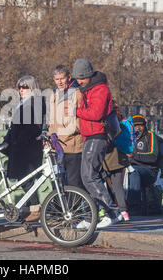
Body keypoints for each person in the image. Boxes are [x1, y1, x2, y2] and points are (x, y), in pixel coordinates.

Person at [73, 58, 122, 229]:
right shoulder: (88, 89)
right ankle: (92, 215)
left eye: (82, 78)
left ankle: (113, 212)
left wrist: (76, 111)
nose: (79, 81)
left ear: (89, 75)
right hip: (90, 136)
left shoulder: (100, 89)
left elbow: (96, 113)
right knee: (89, 176)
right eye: (77, 78)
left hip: (98, 136)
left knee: (89, 176)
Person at [2, 75, 46, 222]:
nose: (21, 90)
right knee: (23, 179)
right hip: (20, 147)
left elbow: (33, 127)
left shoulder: (36, 102)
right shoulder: (23, 103)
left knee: (26, 179)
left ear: (32, 88)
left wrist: (16, 141)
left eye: (25, 87)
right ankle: (28, 208)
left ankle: (35, 208)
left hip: (28, 148)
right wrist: (6, 141)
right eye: (19, 87)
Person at [47, 64, 84, 190]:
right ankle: (60, 209)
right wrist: (49, 136)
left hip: (73, 148)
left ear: (69, 77)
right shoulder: (54, 94)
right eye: (57, 79)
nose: (60, 82)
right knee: (57, 185)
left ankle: (76, 209)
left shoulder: (78, 94)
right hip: (56, 148)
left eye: (62, 79)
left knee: (74, 185)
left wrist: (71, 128)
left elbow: (83, 119)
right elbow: (52, 121)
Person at [102, 101, 130, 222]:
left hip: (105, 159)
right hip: (118, 159)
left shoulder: (105, 123)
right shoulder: (121, 124)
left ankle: (106, 209)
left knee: (99, 185)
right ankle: (124, 212)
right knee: (118, 187)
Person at [127, 114, 160, 215]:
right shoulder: (129, 136)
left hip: (149, 171)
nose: (138, 128)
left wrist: (134, 156)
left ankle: (135, 205)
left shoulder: (150, 136)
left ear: (145, 126)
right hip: (130, 168)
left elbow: (153, 157)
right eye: (136, 126)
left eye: (141, 125)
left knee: (134, 171)